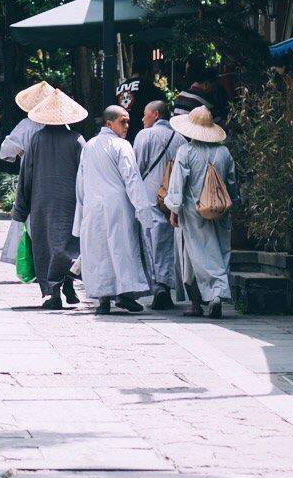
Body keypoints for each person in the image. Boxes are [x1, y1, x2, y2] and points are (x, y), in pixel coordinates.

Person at [11, 85, 87, 309]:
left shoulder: (36, 139)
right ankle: (68, 282)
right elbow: (85, 174)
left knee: (45, 245)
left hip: (41, 201)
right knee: (69, 244)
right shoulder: (77, 140)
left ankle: (53, 291)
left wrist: (21, 208)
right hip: (70, 202)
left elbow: (26, 174)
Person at [74, 104, 154, 314]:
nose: (127, 125)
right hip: (118, 206)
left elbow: (81, 181)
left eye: (128, 120)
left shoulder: (90, 145)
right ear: (109, 123)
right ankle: (124, 294)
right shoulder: (122, 146)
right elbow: (132, 179)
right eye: (122, 121)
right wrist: (143, 209)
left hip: (94, 206)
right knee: (122, 249)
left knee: (99, 252)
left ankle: (104, 299)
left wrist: (81, 210)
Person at [162, 104, 238, 318]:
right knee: (218, 252)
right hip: (220, 211)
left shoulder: (186, 151)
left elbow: (177, 185)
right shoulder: (224, 152)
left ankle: (199, 302)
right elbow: (232, 183)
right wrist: (233, 203)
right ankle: (216, 296)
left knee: (191, 256)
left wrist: (173, 210)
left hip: (193, 211)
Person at [130, 100, 182, 310]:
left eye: (145, 114)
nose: (142, 119)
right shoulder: (180, 138)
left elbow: (136, 166)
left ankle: (157, 286)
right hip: (172, 198)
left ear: (156, 115)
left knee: (151, 242)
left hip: (150, 196)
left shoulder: (145, 135)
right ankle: (166, 287)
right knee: (168, 243)